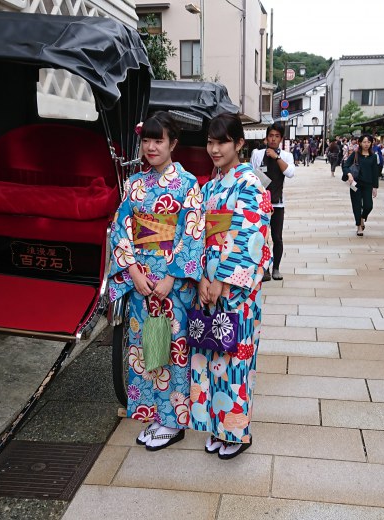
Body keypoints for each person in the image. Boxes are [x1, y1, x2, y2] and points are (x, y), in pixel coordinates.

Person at [108, 112, 205, 451]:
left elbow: (193, 233)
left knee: (173, 348)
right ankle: (152, 413)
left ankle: (174, 421)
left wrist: (172, 277)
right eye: (146, 140)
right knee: (143, 347)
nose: (150, 146)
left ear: (172, 143)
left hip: (171, 285)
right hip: (141, 282)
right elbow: (120, 230)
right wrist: (133, 272)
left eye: (158, 140)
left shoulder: (187, 184)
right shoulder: (134, 185)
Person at [191, 112, 272, 460]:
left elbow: (251, 240)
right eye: (210, 141)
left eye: (222, 141)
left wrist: (222, 282)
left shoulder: (250, 185)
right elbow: (199, 237)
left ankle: (236, 431)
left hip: (236, 292)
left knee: (235, 360)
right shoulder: (210, 187)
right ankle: (216, 425)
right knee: (211, 357)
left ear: (239, 143)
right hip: (209, 287)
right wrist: (202, 278)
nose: (214, 148)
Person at [249, 122, 295, 282]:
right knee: (261, 237)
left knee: (277, 237)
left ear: (281, 139)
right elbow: (252, 174)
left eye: (277, 136)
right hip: (260, 204)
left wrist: (276, 157)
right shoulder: (257, 154)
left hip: (278, 203)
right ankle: (265, 268)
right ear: (266, 137)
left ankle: (276, 268)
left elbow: (290, 173)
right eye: (271, 136)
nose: (273, 139)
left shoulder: (287, 155)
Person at [343, 134, 381, 236]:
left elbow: (375, 172)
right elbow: (345, 166)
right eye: (364, 142)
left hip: (368, 184)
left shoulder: (373, 157)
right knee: (357, 205)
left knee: (369, 206)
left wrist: (375, 187)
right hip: (355, 184)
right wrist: (349, 174)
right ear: (360, 143)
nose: (366, 144)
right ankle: (359, 226)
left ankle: (362, 218)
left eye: (368, 142)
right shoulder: (355, 154)